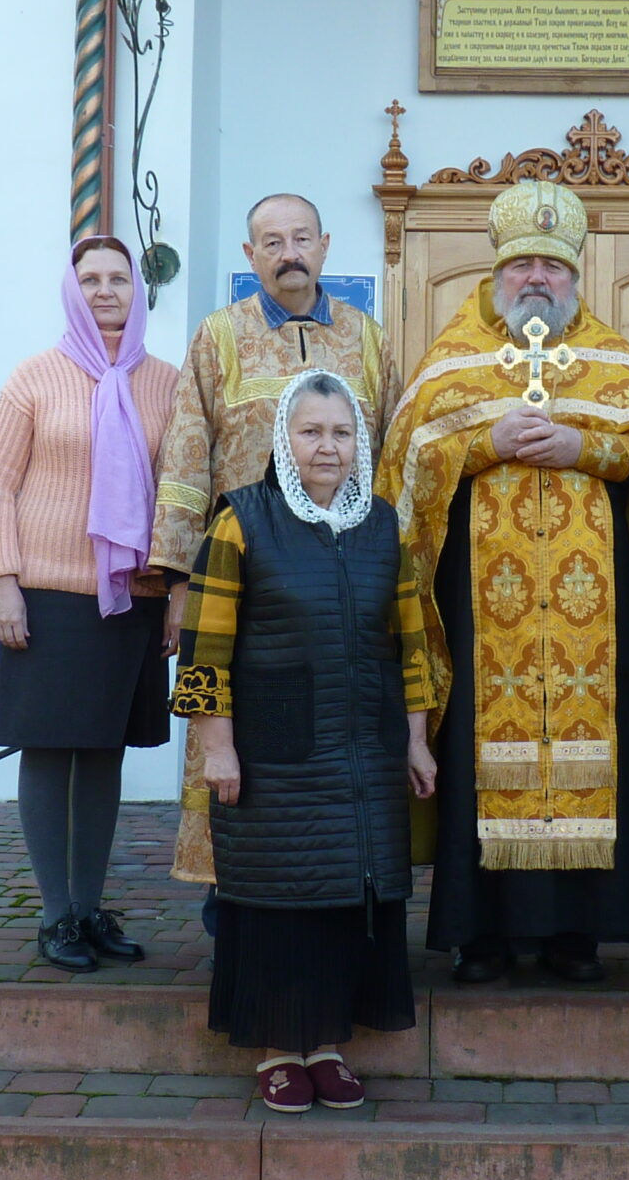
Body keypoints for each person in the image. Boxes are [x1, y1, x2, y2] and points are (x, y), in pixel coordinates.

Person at [378, 179, 629, 985]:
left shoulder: (613, 360)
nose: (535, 281)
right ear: (496, 271)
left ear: (575, 277)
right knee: (477, 754)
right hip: (482, 612)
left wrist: (585, 448)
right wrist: (481, 442)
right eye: (521, 264)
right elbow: (408, 469)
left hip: (596, 617)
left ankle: (575, 937)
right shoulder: (451, 361)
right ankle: (479, 935)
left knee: (596, 751)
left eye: (552, 268)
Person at [173, 371, 439, 1113]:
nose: (328, 447)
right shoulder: (241, 521)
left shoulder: (384, 524)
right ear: (283, 441)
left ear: (361, 443)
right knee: (276, 896)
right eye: (312, 432)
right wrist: (216, 748)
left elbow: (411, 644)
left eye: (342, 432)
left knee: (344, 897)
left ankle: (325, 1043)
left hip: (366, 745)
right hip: (274, 749)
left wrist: (416, 740)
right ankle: (275, 1049)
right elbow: (204, 651)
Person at [149, 194, 396, 890]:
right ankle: (234, 904)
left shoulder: (367, 339)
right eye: (271, 241)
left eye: (300, 239)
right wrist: (178, 579)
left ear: (324, 244)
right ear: (249, 255)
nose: (289, 253)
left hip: (346, 584)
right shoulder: (218, 335)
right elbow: (187, 453)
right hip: (242, 578)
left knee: (337, 731)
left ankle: (341, 895)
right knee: (237, 735)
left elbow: (396, 454)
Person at [0, 238, 180, 972]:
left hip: (130, 599)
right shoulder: (34, 379)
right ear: (70, 289)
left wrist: (178, 592)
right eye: (89, 279)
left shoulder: (167, 383)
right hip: (49, 595)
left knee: (102, 755)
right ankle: (55, 915)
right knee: (49, 750)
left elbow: (179, 495)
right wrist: (2, 582)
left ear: (138, 289)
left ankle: (90, 909)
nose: (104, 291)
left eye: (118, 278)